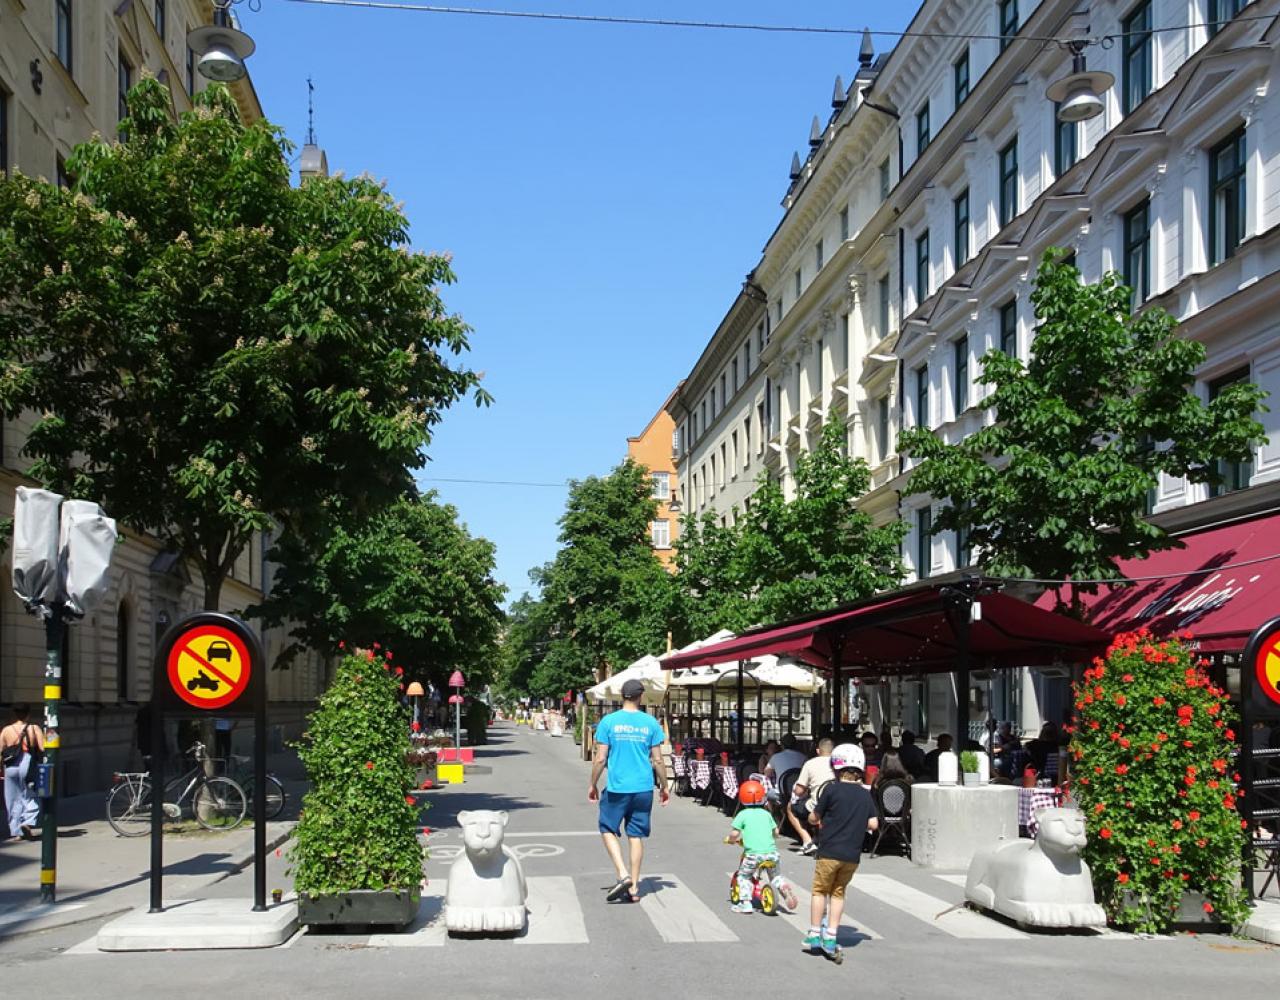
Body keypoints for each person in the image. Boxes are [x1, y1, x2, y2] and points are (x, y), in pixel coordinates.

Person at [588, 678, 668, 903]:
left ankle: (622, 874)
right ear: (640, 696)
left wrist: (593, 784)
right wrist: (664, 787)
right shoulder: (650, 723)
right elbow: (659, 761)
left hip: (617, 787)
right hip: (643, 788)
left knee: (607, 827)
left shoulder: (609, 722)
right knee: (636, 835)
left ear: (622, 695)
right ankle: (634, 888)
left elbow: (601, 758)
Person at [804, 743, 878, 962]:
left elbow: (815, 817)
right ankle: (831, 935)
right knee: (838, 893)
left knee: (819, 891)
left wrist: (812, 818)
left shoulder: (832, 789)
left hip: (829, 851)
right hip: (851, 856)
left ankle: (815, 934)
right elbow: (873, 824)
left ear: (836, 767)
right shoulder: (865, 794)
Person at [725, 779, 795, 914]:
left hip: (753, 855)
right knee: (776, 876)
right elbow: (776, 832)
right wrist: (772, 837)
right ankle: (783, 886)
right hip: (771, 853)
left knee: (744, 877)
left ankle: (745, 904)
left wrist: (731, 840)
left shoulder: (743, 814)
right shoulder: (766, 814)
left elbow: (734, 833)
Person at [2, 704, 44, 842]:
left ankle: (17, 832)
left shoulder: (6, 730)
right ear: (28, 714)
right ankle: (27, 821)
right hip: (28, 763)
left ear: (14, 714)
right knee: (30, 795)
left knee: (13, 799)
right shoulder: (33, 728)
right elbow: (43, 747)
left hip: (10, 766)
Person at [789, 738, 835, 856]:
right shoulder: (839, 764)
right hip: (837, 804)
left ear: (818, 751)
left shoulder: (810, 763)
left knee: (790, 808)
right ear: (833, 751)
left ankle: (807, 840)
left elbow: (799, 791)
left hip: (817, 805)